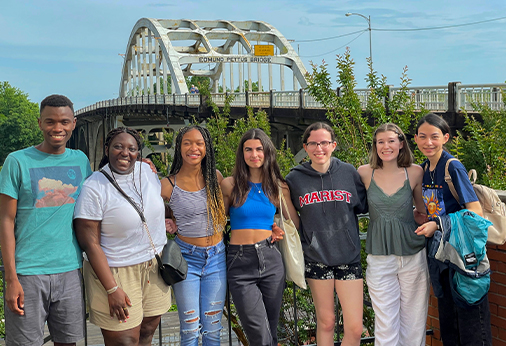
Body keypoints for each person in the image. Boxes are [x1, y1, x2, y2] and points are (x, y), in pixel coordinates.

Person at [0, 94, 91, 346]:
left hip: (70, 270)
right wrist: (11, 278)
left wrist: (142, 166)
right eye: (50, 122)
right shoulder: (17, 161)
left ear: (73, 123)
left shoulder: (81, 161)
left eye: (63, 122)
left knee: (69, 342)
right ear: (40, 123)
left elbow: (100, 197)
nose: (57, 128)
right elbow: (5, 220)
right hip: (28, 273)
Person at [73, 127, 171, 345]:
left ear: (139, 153)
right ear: (106, 149)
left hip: (152, 266)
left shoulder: (147, 172)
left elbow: (155, 205)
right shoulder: (94, 186)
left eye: (131, 148)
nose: (125, 152)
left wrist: (170, 219)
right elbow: (89, 242)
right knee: (125, 340)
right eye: (118, 146)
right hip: (116, 270)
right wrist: (112, 288)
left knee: (147, 331)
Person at [286, 122, 368, 346]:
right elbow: (287, 214)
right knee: (327, 322)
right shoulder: (294, 179)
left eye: (324, 143)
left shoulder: (348, 172)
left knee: (354, 327)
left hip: (348, 257)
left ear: (333, 145)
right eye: (313, 143)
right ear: (305, 146)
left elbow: (364, 206)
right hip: (316, 258)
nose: (318, 148)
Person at [414, 113, 492, 345]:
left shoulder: (452, 167)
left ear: (445, 137)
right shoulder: (424, 168)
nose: (428, 142)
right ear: (415, 139)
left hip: (462, 254)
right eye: (423, 136)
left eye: (434, 137)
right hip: (440, 254)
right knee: (448, 321)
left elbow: (475, 211)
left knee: (471, 321)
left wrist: (437, 223)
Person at [221, 128, 297, 346]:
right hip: (240, 260)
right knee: (258, 332)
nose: (254, 154)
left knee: (270, 331)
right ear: (242, 153)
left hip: (271, 258)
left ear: (268, 152)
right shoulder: (230, 185)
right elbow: (218, 222)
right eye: (248, 149)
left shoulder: (278, 187)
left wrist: (279, 227)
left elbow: (293, 222)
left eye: (259, 149)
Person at [357, 123, 429, 346]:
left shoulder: (415, 172)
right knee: (386, 323)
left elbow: (422, 211)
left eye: (390, 141)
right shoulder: (363, 172)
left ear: (400, 143)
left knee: (414, 323)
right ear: (375, 146)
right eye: (380, 142)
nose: (385, 146)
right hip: (379, 257)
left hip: (412, 254)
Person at [160, 125, 228, 346]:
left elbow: (229, 209)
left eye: (199, 143)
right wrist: (165, 220)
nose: (193, 148)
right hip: (187, 259)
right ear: (179, 148)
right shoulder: (167, 185)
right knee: (189, 328)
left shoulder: (215, 178)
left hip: (217, 257)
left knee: (213, 330)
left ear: (206, 147)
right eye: (187, 143)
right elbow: (146, 213)